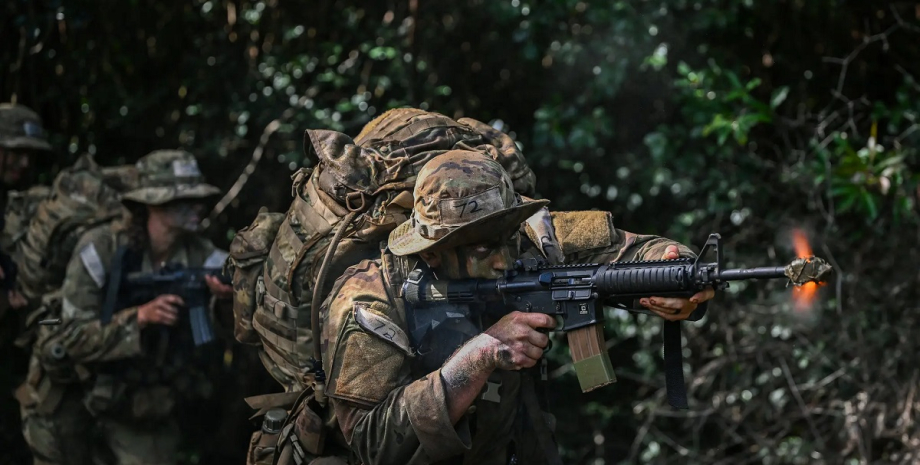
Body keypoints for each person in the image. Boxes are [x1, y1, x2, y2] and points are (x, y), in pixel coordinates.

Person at [319, 150, 715, 464]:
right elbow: (371, 446)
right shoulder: (367, 299)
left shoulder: (527, 236)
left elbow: (634, 249)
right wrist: (475, 359)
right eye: (481, 248)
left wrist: (673, 265)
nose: (503, 260)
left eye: (506, 236)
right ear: (434, 253)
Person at [18, 149, 233, 465]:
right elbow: (72, 336)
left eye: (197, 197)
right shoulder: (100, 247)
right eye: (183, 198)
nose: (197, 206)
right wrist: (140, 317)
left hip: (134, 394)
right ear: (151, 203)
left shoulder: (203, 256)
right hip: (70, 387)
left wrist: (226, 302)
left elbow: (228, 314)